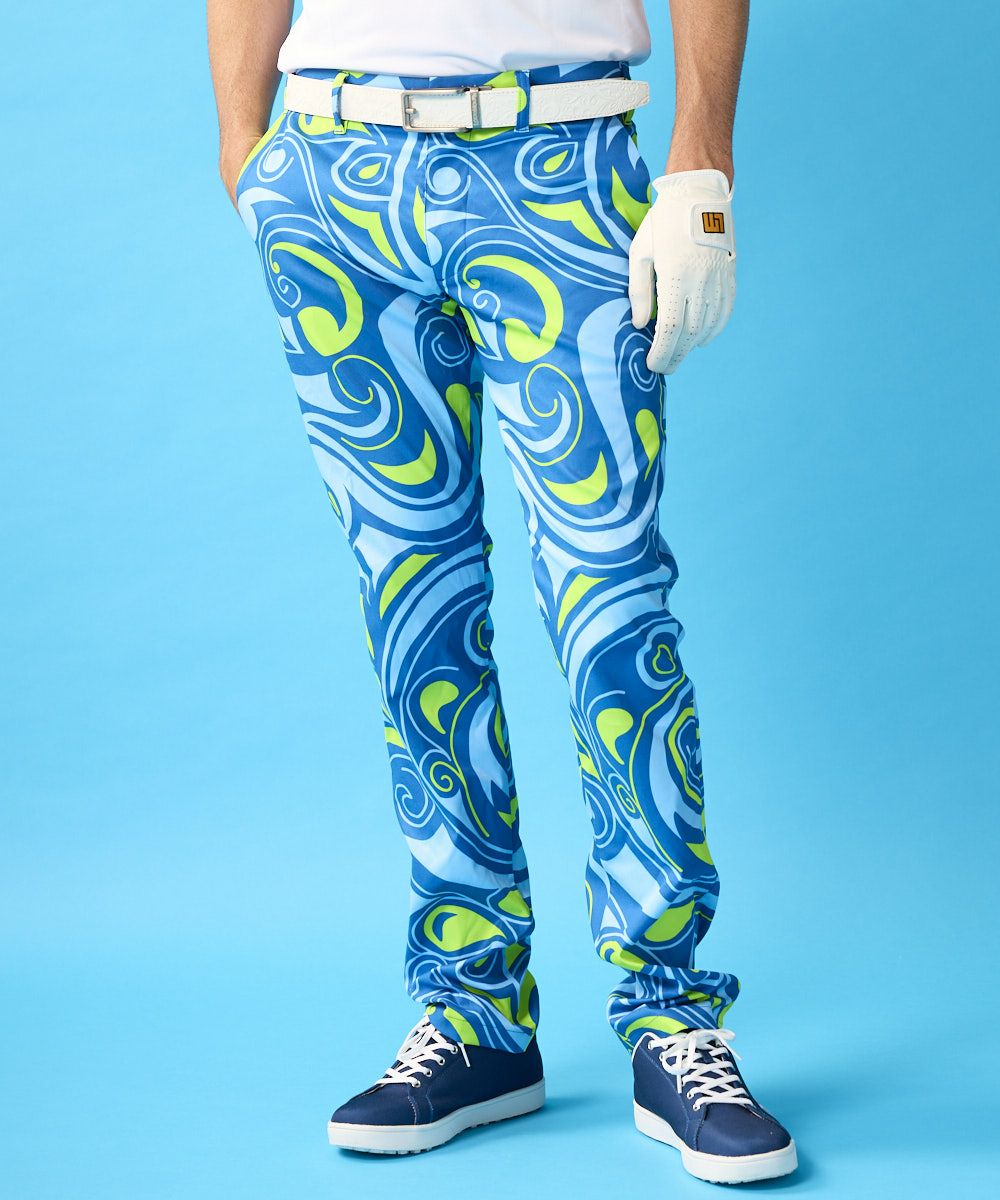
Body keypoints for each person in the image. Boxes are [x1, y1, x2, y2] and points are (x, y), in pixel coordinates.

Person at [208, 0, 796, 1183]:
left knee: (609, 604)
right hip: (331, 179)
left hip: (557, 162)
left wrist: (701, 164)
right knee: (411, 609)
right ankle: (475, 1013)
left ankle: (670, 1014)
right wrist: (245, 147)